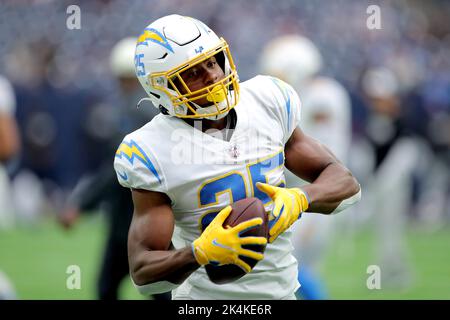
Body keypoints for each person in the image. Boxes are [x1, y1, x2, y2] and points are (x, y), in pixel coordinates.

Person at [114, 14, 361, 300]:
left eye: (212, 61)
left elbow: (345, 183)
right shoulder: (149, 149)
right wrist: (199, 253)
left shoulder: (267, 101)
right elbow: (143, 272)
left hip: (282, 294)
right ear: (163, 88)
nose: (213, 75)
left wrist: (301, 198)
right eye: (193, 73)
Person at [59, 38, 168, 300]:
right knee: (159, 286)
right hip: (154, 213)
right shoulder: (157, 109)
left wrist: (81, 204)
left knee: (120, 286)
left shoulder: (133, 113)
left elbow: (115, 171)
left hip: (133, 217)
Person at [259, 35, 353, 299]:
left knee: (290, 265)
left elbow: (324, 152)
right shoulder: (309, 94)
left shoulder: (321, 96)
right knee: (294, 268)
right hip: (302, 191)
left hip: (313, 191)